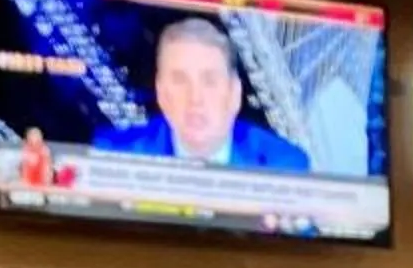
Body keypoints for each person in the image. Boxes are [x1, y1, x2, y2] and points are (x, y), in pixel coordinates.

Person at [120, 15, 308, 169]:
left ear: (234, 94)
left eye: (209, 81)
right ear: (161, 93)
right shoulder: (117, 154)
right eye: (180, 81)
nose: (195, 99)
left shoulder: (285, 165)